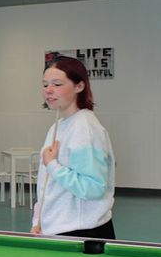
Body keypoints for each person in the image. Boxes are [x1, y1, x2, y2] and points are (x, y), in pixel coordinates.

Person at [31, 56, 116, 238]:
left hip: (82, 233)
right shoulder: (59, 125)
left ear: (79, 86)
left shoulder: (84, 127)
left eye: (58, 84)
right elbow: (47, 184)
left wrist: (52, 165)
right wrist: (39, 219)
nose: (49, 91)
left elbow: (93, 188)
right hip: (55, 228)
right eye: (45, 85)